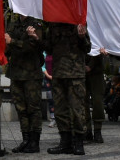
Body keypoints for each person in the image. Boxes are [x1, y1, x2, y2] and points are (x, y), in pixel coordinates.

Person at [41, 21, 89, 156]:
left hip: (75, 74)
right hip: (58, 73)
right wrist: (38, 39)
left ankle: (79, 142)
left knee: (77, 109)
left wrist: (82, 37)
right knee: (60, 109)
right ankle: (65, 142)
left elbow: (88, 48)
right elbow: (48, 49)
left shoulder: (78, 23)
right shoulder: (53, 26)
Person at [5, 14, 44, 153]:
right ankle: (26, 139)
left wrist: (13, 42)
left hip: (32, 74)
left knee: (33, 108)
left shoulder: (36, 24)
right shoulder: (13, 24)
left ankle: (34, 141)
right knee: (21, 109)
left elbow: (32, 47)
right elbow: (6, 46)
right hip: (16, 73)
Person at [83, 45, 106, 143]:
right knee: (83, 102)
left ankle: (97, 130)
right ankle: (87, 130)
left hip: (96, 71)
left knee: (98, 102)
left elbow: (99, 46)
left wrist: (90, 66)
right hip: (81, 71)